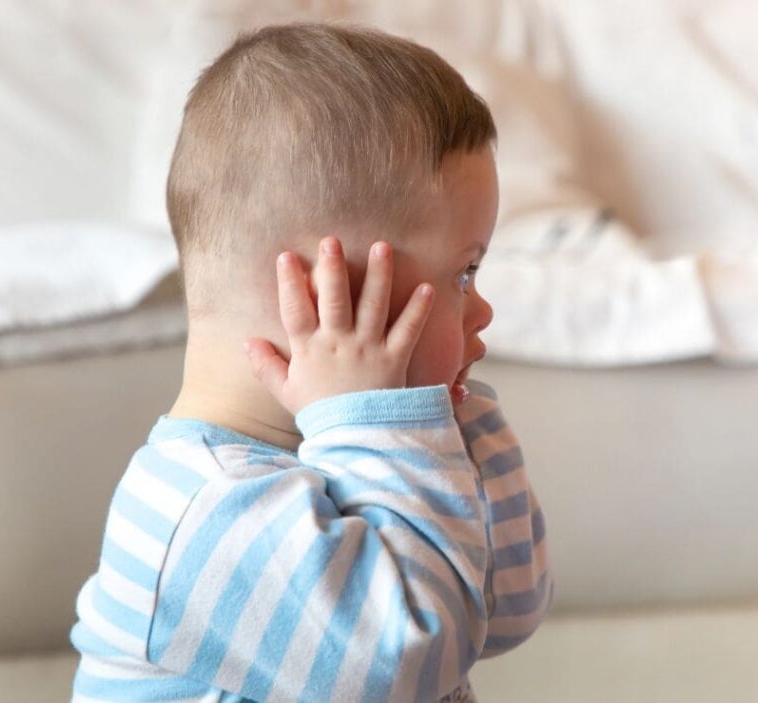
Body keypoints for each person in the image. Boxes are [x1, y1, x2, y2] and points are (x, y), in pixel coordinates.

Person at [70, 22, 552, 703]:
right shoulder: (199, 507)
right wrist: (392, 429)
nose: (483, 311)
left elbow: (508, 608)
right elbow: (409, 663)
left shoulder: (368, 452)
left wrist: (443, 423)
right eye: (464, 274)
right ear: (321, 293)